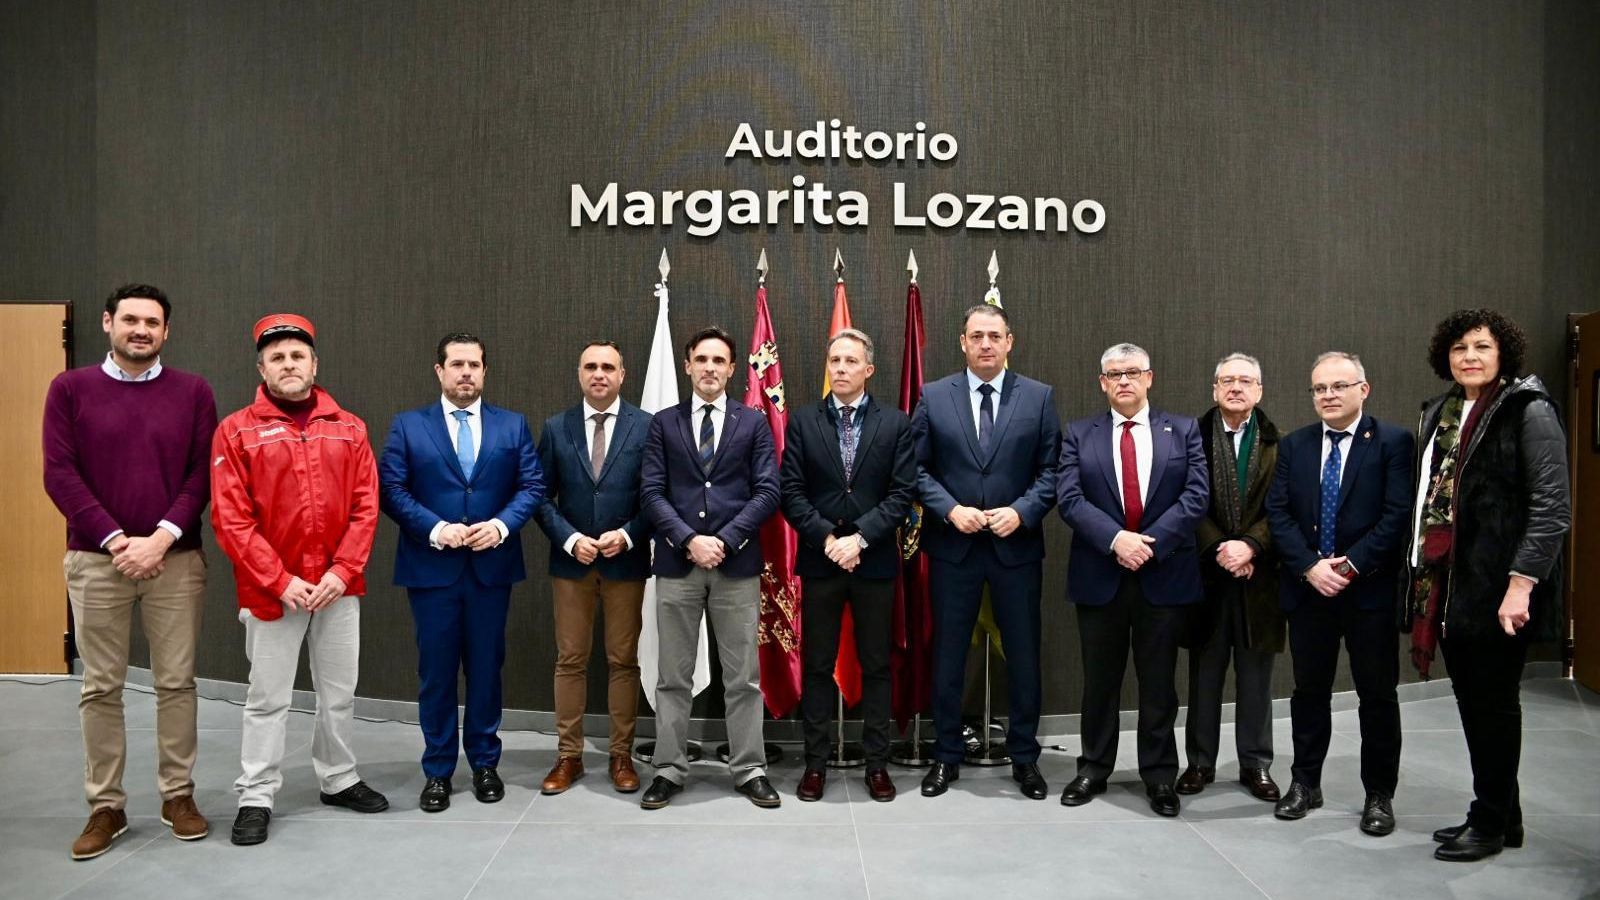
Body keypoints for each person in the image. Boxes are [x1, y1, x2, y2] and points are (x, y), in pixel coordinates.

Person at [43, 283, 217, 859]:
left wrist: (160, 539)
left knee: (176, 683)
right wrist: (119, 541)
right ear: (107, 322)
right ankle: (106, 805)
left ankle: (178, 795)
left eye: (153, 322)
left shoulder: (193, 391)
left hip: (176, 559)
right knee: (101, 687)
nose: (141, 330)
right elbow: (59, 474)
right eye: (131, 320)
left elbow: (201, 476)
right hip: (97, 560)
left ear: (166, 331)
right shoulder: (69, 389)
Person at [211, 314, 387, 845]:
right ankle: (257, 795)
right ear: (261, 367)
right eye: (277, 357)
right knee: (268, 698)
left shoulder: (349, 427)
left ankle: (338, 778)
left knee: (338, 692)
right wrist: (279, 580)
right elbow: (230, 518)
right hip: (272, 594)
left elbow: (365, 506)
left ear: (315, 364)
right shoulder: (236, 430)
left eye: (298, 356)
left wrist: (342, 570)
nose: (289, 364)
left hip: (338, 589)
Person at [1407, 310, 1568, 862]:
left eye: (1481, 346)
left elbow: (1552, 508)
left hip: (1501, 589)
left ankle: (1490, 821)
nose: (1469, 356)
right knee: (1473, 703)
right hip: (1450, 588)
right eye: (1458, 348)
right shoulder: (1442, 411)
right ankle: (1504, 814)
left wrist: (1521, 585)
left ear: (1505, 354)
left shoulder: (1529, 409)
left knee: (1493, 706)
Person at [379, 333, 544, 812]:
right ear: (439, 371)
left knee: (487, 671)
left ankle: (486, 764)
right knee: (436, 674)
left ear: (485, 371)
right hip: (432, 569)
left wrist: (500, 526)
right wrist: (436, 529)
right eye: (456, 364)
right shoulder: (409, 427)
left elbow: (531, 485)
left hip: (491, 569)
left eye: (474, 364)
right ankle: (437, 771)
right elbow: (391, 488)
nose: (466, 372)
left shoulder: (513, 426)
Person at [910, 304, 1060, 801]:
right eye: (977, 336)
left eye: (995, 335)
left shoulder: (1038, 398)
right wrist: (949, 510)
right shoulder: (933, 396)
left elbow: (1052, 471)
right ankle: (946, 756)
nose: (986, 344)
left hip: (1015, 548)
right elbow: (915, 470)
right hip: (954, 547)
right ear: (962, 342)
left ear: (1010, 341)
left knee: (1023, 657)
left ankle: (1024, 759)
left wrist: (1021, 511)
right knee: (949, 657)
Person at [1265, 351, 1413, 836]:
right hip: (1310, 592)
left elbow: (1396, 516)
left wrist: (1348, 566)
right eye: (1319, 389)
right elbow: (1279, 514)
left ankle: (1379, 795)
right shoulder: (1295, 445)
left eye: (1338, 386)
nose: (1328, 395)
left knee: (1377, 695)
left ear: (1363, 390)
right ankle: (1305, 784)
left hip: (1367, 593)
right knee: (1308, 693)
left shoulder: (1392, 441)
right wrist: (1311, 566)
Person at [1057, 342, 1208, 817]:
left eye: (1132, 372)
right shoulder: (1079, 433)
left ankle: (1160, 775)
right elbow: (1069, 498)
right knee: (1099, 681)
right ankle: (1093, 768)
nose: (1123, 380)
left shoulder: (1182, 430)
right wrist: (1117, 540)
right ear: (1102, 382)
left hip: (1163, 576)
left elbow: (1196, 496)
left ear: (1149, 377)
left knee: (1159, 683)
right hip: (1100, 574)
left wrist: (1149, 543)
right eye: (1113, 374)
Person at [637, 326, 782, 809]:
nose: (710, 368)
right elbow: (652, 492)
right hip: (678, 566)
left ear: (732, 368)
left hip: (736, 565)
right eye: (701, 359)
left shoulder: (753, 423)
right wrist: (688, 539)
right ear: (687, 365)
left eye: (719, 361)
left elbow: (768, 491)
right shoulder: (663, 423)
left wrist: (722, 539)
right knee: (672, 677)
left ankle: (749, 768)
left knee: (743, 677)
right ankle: (669, 768)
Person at [780, 328, 916, 802]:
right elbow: (790, 491)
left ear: (868, 370)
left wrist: (858, 538)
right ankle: (815, 765)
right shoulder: (803, 421)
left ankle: (877, 765)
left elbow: (901, 495)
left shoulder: (896, 424)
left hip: (873, 562)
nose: (840, 368)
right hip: (821, 564)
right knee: (817, 666)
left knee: (877, 666)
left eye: (850, 361)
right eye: (834, 360)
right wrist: (829, 539)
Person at [533, 341, 653, 794]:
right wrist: (569, 537)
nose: (599, 374)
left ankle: (622, 756)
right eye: (590, 366)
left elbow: (655, 497)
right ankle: (569, 757)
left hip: (626, 561)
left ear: (623, 374)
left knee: (623, 660)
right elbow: (539, 497)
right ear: (579, 374)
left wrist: (626, 535)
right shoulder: (557, 426)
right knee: (570, 660)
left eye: (608, 367)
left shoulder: (647, 427)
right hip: (572, 564)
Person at [1179, 353, 1286, 802]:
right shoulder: (1191, 438)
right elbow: (1185, 496)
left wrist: (1251, 547)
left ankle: (1255, 764)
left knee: (1256, 674)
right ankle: (1200, 763)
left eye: (1246, 381)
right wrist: (1221, 546)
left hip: (1259, 577)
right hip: (1206, 573)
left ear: (1259, 390)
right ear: (1214, 389)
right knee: (1204, 675)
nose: (1236, 387)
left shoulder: (1280, 444)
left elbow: (1283, 505)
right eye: (1227, 380)